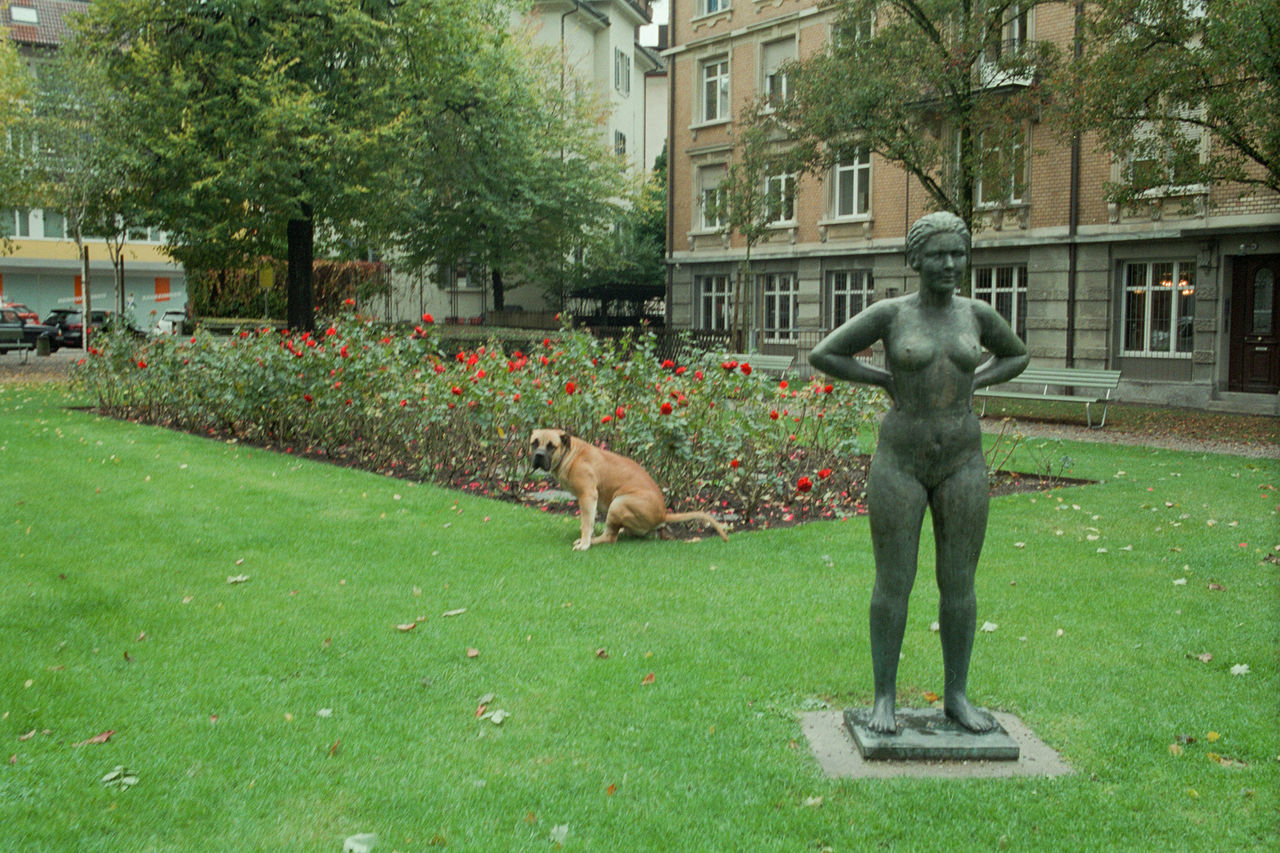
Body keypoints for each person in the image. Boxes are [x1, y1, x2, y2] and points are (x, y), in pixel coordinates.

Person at [808, 211, 1028, 733]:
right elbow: (825, 353)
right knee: (894, 581)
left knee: (960, 583)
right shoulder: (891, 314)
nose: (950, 264)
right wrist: (883, 378)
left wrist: (979, 383)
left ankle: (957, 695)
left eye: (957, 254)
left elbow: (1016, 354)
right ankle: (884, 696)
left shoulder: (976, 314)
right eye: (937, 255)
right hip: (900, 461)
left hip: (962, 460)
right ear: (915, 260)